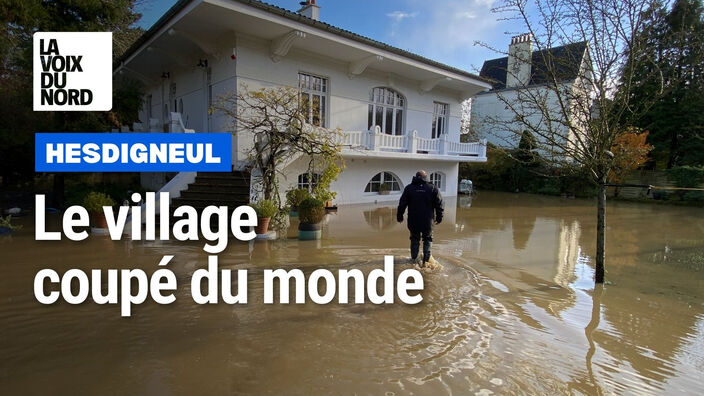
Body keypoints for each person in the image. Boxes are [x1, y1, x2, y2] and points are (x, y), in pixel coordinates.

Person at [397, 170, 444, 265]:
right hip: (428, 221)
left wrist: (400, 216)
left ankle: (414, 260)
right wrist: (439, 218)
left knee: (414, 239)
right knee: (427, 239)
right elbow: (440, 205)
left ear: (415, 177)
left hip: (413, 221)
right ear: (426, 177)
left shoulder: (409, 188)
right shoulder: (432, 188)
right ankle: (426, 262)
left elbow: (402, 204)